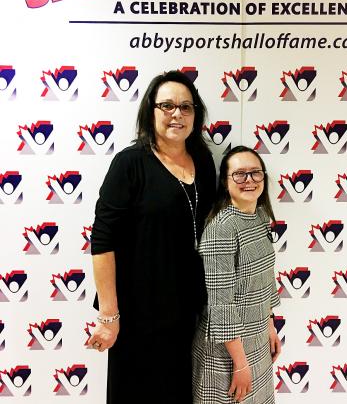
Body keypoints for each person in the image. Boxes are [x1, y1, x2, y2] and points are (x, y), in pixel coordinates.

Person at [88, 70, 216, 404]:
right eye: (168, 105)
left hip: (188, 313)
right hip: (138, 316)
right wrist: (109, 316)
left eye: (186, 107)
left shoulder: (203, 160)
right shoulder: (130, 164)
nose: (178, 114)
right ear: (151, 111)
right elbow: (102, 241)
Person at [192, 146, 281, 404]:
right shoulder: (222, 228)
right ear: (225, 181)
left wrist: (270, 324)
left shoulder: (260, 217)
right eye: (240, 174)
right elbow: (221, 306)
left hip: (256, 340)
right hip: (226, 352)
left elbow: (264, 279)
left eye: (255, 173)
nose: (249, 180)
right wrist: (241, 365)